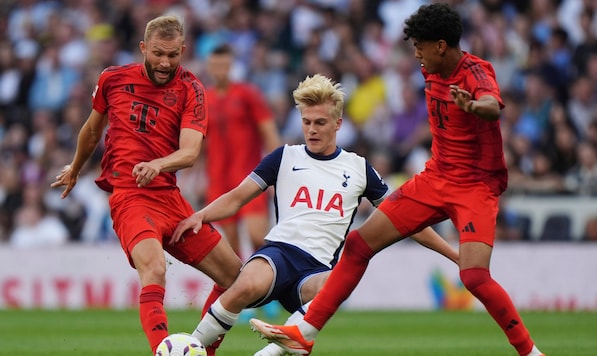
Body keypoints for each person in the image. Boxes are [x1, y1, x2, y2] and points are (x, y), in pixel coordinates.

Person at [249, 4, 545, 356]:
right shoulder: (429, 68)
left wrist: (474, 107)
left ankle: (530, 352)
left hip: (475, 187)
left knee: (474, 277)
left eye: (420, 44)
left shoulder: (476, 73)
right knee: (358, 245)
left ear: (440, 45)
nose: (416, 52)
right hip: (435, 178)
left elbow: (492, 104)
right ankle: (304, 334)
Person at [170, 74, 459, 356]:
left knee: (336, 286)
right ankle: (191, 348)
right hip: (279, 254)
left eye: (320, 122)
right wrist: (201, 216)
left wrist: (455, 255)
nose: (312, 130)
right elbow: (236, 198)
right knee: (245, 284)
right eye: (306, 122)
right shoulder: (284, 157)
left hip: (317, 270)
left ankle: (278, 349)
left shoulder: (358, 168)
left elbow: (406, 220)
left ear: (338, 123)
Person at [50, 15, 243, 355]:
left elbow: (190, 152)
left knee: (236, 278)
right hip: (130, 198)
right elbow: (92, 130)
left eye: (173, 55)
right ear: (143, 48)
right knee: (154, 268)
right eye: (158, 54)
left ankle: (200, 350)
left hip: (171, 199)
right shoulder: (113, 79)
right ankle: (162, 351)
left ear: (183, 51)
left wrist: (158, 164)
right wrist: (76, 168)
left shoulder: (191, 88)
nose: (165, 63)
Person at [204, 43, 282, 260]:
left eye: (223, 65)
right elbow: (199, 142)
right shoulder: (205, 99)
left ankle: (272, 282)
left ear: (230, 66)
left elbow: (269, 131)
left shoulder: (248, 94)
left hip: (250, 177)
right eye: (215, 65)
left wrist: (277, 173)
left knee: (257, 235)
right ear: (209, 67)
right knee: (231, 247)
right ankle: (245, 292)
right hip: (218, 180)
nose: (219, 70)